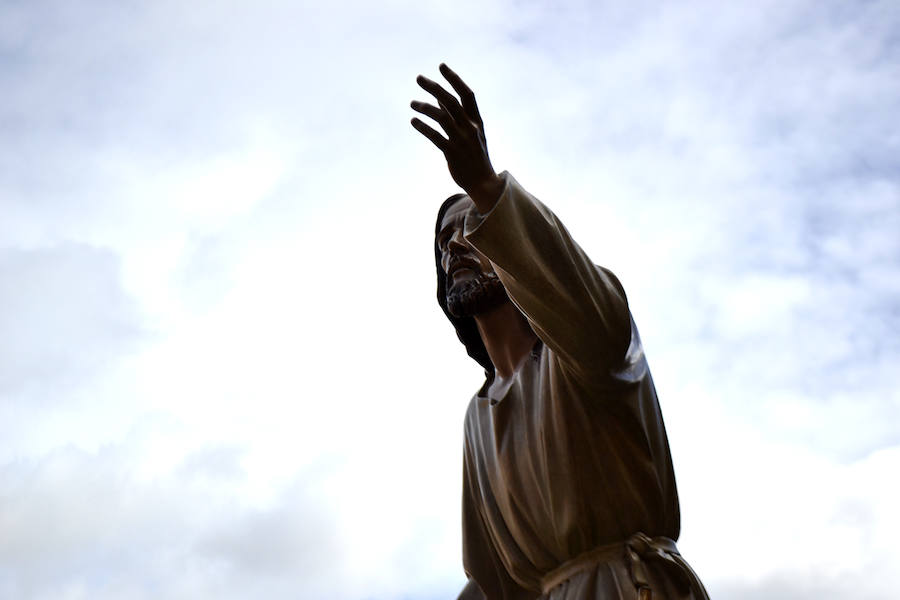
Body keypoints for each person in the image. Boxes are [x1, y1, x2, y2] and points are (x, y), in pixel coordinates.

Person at [410, 64, 710, 600]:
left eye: (472, 226)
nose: (454, 244)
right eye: (443, 241)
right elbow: (492, 583)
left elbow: (574, 295)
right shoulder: (478, 415)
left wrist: (484, 185)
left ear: (510, 242)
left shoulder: (587, 350)